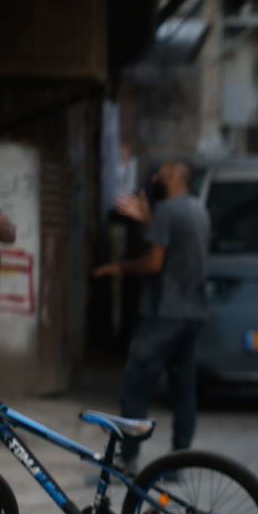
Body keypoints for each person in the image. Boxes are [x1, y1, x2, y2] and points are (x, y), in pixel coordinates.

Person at [92, 158, 210, 467]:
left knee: (137, 384)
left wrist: (121, 267)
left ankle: (127, 458)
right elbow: (175, 249)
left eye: (161, 172)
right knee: (183, 388)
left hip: (163, 313)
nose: (156, 177)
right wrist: (148, 220)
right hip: (193, 313)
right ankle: (180, 459)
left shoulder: (169, 209)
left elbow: (155, 263)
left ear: (173, 174)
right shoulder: (198, 210)